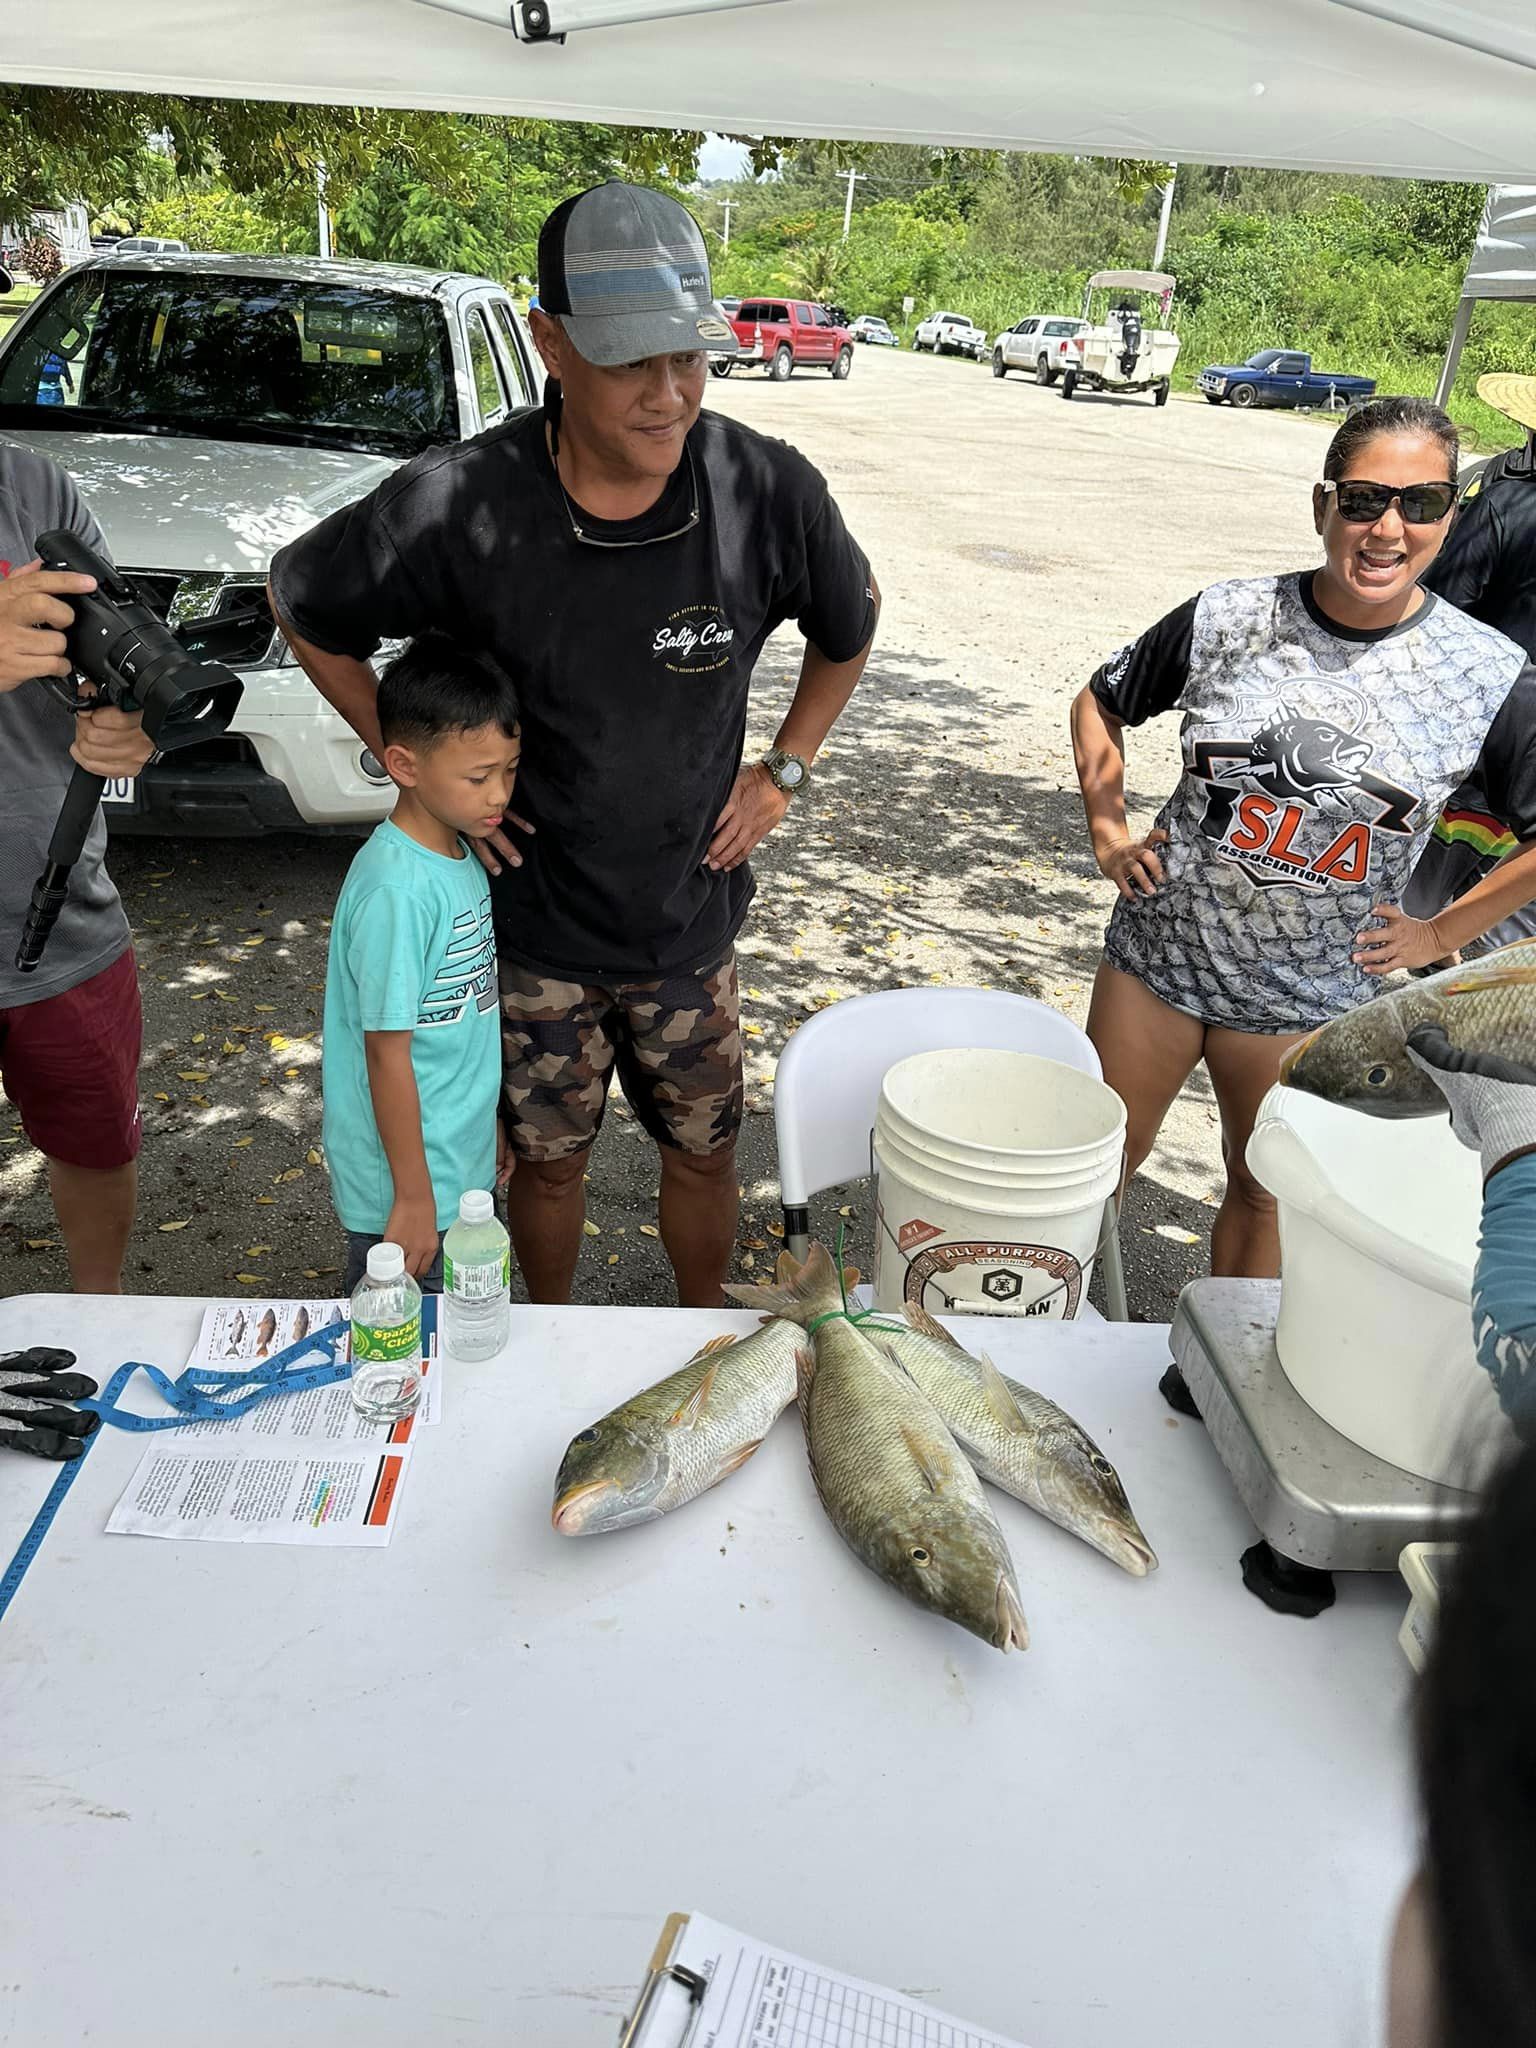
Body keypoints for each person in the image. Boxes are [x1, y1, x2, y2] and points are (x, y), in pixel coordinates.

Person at [271, 182, 878, 1309]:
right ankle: (543, 1347)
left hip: (687, 919)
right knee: (546, 1170)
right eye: (631, 363)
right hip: (535, 930)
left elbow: (852, 624)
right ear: (548, 342)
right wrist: (426, 780)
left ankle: (695, 1337)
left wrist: (784, 768)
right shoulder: (458, 507)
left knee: (704, 1152)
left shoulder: (764, 489)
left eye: (690, 359)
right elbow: (303, 604)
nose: (670, 395)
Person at [1069, 396, 1536, 1279]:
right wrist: (1107, 831)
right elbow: (1101, 701)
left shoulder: (1486, 674)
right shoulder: (1229, 617)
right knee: (1092, 1177)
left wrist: (1442, 933)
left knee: (1265, 1192)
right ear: (1323, 505)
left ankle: (1215, 1385)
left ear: (1450, 513)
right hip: (1157, 963)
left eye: (1422, 504)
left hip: (1310, 1001)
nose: (1388, 528)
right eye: (1363, 500)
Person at [0, 445, 154, 1292]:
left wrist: (130, 731)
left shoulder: (35, 486)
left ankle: (100, 1319)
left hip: (62, 915)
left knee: (94, 1143)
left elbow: (116, 669)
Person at [321, 634, 520, 1293]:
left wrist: (486, 1124)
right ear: (404, 765)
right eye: (478, 776)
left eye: (509, 770)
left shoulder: (459, 855)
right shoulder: (397, 891)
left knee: (467, 1348)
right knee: (400, 1356)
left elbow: (462, 1019)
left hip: (459, 1173)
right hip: (406, 1196)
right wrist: (410, 1198)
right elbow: (386, 1053)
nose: (499, 795)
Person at [1405, 372, 1536, 957]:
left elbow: (1437, 617)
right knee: (1503, 950)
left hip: (1489, 760)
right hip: (1511, 765)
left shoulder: (1505, 497)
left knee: (1415, 926)